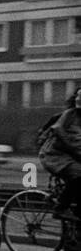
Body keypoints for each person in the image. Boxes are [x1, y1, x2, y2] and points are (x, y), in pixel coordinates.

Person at [40, 86, 81, 223]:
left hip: (72, 156)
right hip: (55, 155)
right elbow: (59, 131)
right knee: (79, 174)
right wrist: (75, 148)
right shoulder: (69, 115)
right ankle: (60, 208)